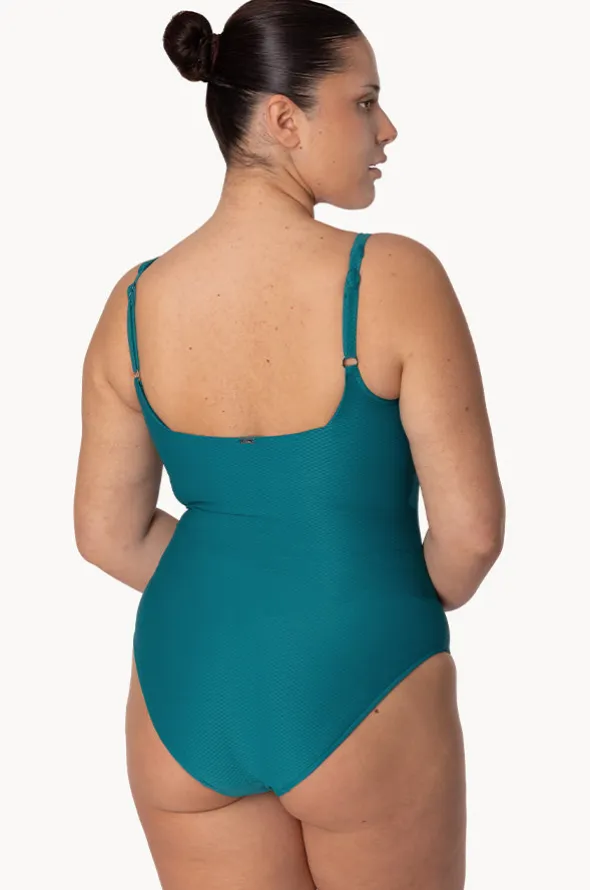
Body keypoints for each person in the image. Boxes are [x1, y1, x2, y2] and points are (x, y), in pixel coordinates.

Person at [74, 1, 505, 888]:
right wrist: (366, 597)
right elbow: (470, 535)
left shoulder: (134, 302)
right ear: (283, 118)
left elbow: (107, 535)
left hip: (185, 686)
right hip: (363, 673)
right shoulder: (393, 277)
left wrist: (250, 583)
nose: (387, 128)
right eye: (364, 101)